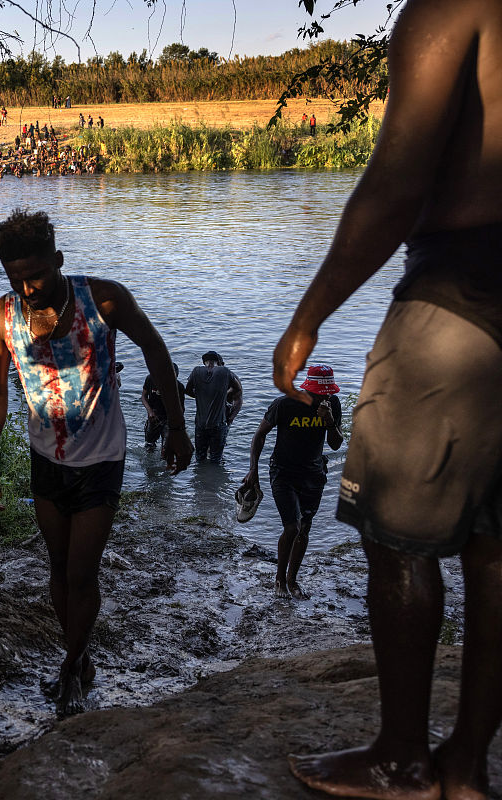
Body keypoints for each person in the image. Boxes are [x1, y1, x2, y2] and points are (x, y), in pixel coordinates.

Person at [277, 2, 502, 798]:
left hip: (462, 294)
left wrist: (309, 315)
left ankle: (402, 759)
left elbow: (399, 178)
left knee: (398, 540)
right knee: (495, 546)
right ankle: (469, 766)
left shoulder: (455, 10)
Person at [0, 209, 193, 718]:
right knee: (57, 567)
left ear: (58, 260)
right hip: (45, 457)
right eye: (16, 279)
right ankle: (81, 653)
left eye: (36, 276)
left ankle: (71, 667)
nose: (28, 288)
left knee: (81, 572)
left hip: (101, 458)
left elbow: (156, 351)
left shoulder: (104, 299)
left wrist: (178, 427)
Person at [241, 365, 343, 599]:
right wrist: (253, 471)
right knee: (292, 527)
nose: (324, 397)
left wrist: (328, 420)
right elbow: (259, 435)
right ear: (308, 389)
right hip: (283, 472)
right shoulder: (285, 404)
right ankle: (279, 580)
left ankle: (292, 580)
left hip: (314, 474)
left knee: (304, 528)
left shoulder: (332, 405)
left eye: (328, 393)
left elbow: (336, 444)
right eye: (320, 393)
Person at [184, 351, 242, 462]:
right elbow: (238, 390)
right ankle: (215, 476)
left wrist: (230, 418)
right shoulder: (224, 373)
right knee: (215, 459)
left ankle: (202, 476)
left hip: (208, 423)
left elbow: (187, 390)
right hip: (215, 424)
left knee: (202, 457)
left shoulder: (197, 371)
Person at [140, 363, 185, 449]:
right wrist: (150, 411)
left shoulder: (179, 387)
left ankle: (164, 459)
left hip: (169, 418)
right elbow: (143, 396)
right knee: (149, 445)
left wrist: (177, 424)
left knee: (166, 447)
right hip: (154, 416)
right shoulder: (150, 379)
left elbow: (181, 408)